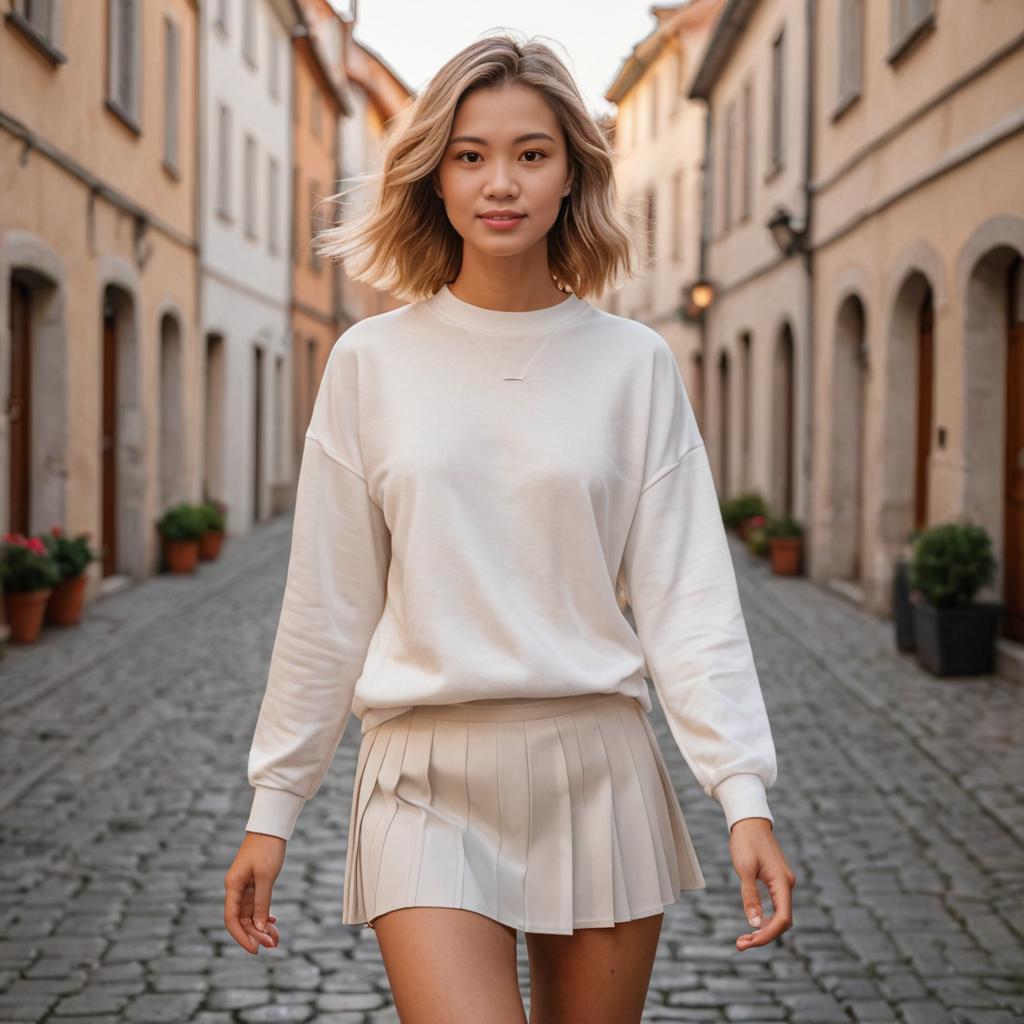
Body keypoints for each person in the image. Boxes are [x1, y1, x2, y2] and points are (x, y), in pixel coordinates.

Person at [224, 31, 796, 1024]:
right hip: (422, 777)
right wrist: (275, 803)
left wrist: (740, 789)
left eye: (531, 153)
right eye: (470, 153)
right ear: (433, 178)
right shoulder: (371, 361)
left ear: (572, 173)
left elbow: (687, 595)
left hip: (597, 769)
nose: (501, 182)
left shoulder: (633, 364)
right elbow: (327, 599)